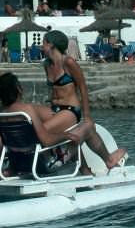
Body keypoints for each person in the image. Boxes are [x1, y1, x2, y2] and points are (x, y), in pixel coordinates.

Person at [38, 30, 126, 169]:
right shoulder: (46, 64)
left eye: (43, 43)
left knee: (40, 130)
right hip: (55, 108)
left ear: (52, 45)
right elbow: (53, 89)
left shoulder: (68, 62)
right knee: (32, 120)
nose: (41, 46)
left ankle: (60, 161)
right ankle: (85, 169)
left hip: (70, 110)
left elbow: (83, 88)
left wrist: (87, 116)